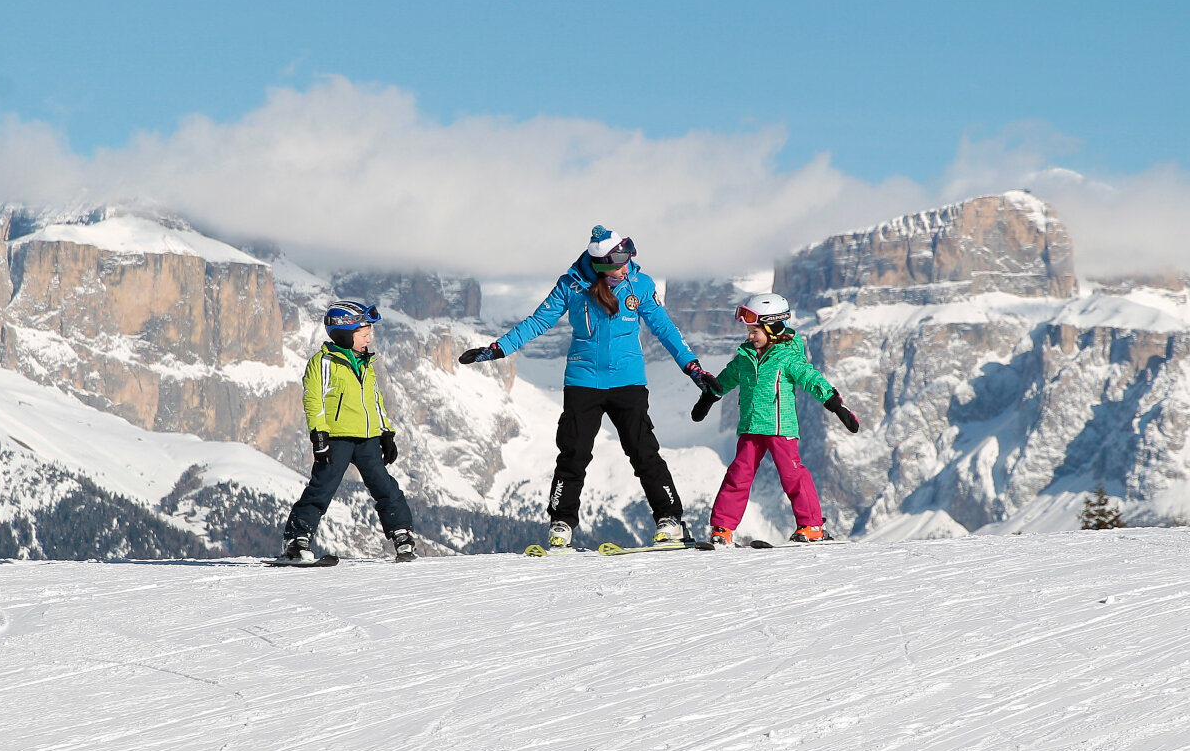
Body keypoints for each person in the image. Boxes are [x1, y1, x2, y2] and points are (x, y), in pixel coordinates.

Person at [460, 226, 721, 547]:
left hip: (628, 382)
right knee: (573, 453)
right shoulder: (572, 285)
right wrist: (498, 349)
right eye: (620, 261)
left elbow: (665, 329)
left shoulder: (640, 284)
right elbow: (538, 321)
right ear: (601, 265)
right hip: (583, 382)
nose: (627, 265)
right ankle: (560, 523)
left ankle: (670, 520)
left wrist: (693, 369)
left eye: (629, 257)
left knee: (643, 452)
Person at [695, 293, 862, 545]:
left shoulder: (787, 358)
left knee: (792, 475)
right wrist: (710, 395)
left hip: (780, 427)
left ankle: (811, 526)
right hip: (751, 427)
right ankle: (722, 529)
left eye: (755, 331)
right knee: (737, 475)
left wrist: (835, 404)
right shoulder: (745, 357)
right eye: (749, 332)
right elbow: (727, 378)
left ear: (773, 327)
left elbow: (811, 378)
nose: (750, 337)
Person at [281, 301, 417, 563]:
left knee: (385, 486)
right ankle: (296, 540)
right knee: (322, 488)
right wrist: (319, 435)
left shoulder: (366, 363)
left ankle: (403, 536)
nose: (369, 339)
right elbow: (314, 399)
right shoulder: (323, 362)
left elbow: (375, 400)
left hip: (367, 438)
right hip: (337, 437)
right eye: (364, 334)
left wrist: (386, 433)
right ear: (344, 333)